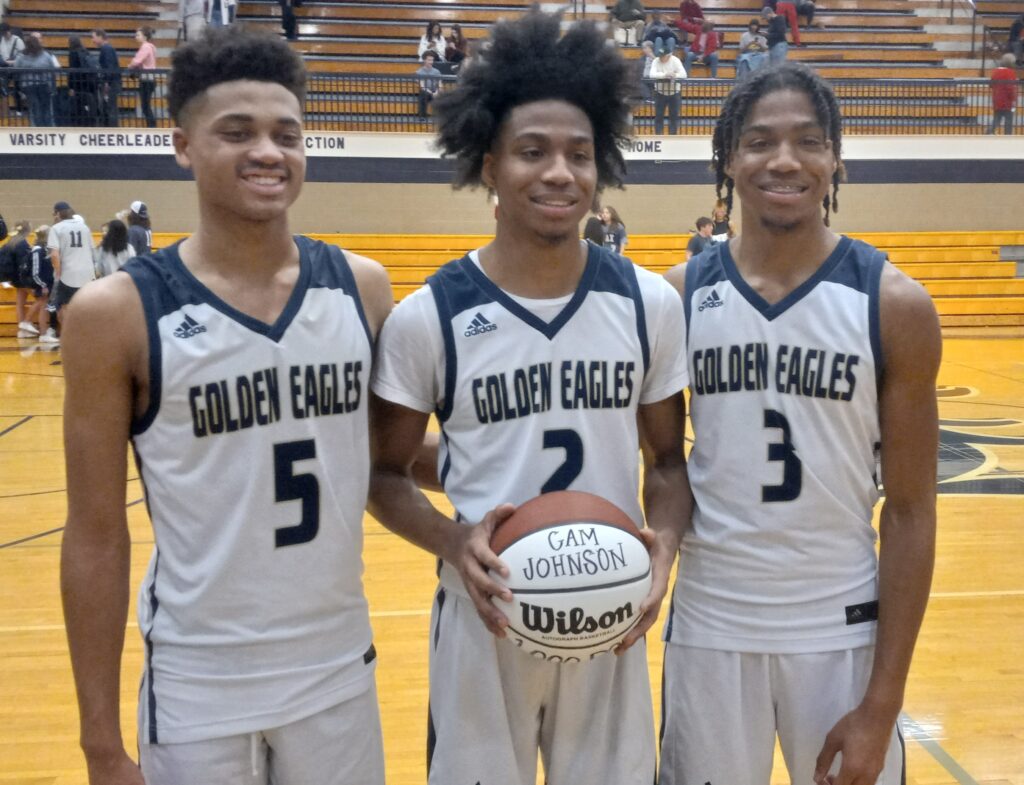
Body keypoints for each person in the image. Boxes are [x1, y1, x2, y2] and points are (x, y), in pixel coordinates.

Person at [60, 25, 392, 785]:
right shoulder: (115, 313)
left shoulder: (361, 287)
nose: (268, 152)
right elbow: (95, 537)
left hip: (337, 664)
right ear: (181, 145)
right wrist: (101, 744)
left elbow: (384, 459)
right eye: (236, 133)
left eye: (287, 134)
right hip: (199, 682)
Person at [368, 11, 690, 785]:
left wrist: (663, 552)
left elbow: (669, 464)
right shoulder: (428, 315)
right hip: (486, 616)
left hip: (610, 608)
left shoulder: (651, 304)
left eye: (580, 154)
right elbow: (382, 475)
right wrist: (454, 543)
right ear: (488, 164)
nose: (560, 173)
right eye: (533, 152)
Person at [659, 61, 940, 785]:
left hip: (840, 630)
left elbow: (910, 512)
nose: (785, 159)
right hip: (711, 625)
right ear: (727, 158)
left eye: (809, 141)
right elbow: (661, 465)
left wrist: (883, 703)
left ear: (835, 158)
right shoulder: (676, 298)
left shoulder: (894, 305)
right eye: (759, 141)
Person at [44, 201, 95, 343]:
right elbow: (92, 251)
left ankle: (70, 339)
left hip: (68, 273)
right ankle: (86, 337)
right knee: (85, 307)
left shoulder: (56, 228)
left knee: (63, 308)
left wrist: (58, 272)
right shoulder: (84, 227)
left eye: (54, 213)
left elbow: (54, 254)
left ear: (58, 214)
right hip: (87, 274)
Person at [13, 34, 56, 127]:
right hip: (42, 85)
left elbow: (15, 70)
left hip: (29, 85)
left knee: (36, 108)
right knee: (44, 109)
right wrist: (52, 87)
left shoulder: (22, 56)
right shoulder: (45, 55)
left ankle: (39, 128)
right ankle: (45, 128)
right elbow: (52, 70)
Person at [1, 219, 35, 335]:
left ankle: (22, 331)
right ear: (27, 231)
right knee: (42, 299)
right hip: (22, 279)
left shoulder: (10, 242)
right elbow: (24, 264)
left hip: (14, 278)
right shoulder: (22, 244)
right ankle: (26, 322)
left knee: (20, 303)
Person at [649, 40, 686, 134]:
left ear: (669, 55)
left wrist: (674, 75)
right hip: (660, 93)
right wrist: (665, 75)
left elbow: (684, 74)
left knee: (674, 117)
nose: (661, 58)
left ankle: (672, 138)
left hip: (674, 93)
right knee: (658, 116)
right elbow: (651, 74)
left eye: (663, 56)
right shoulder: (656, 61)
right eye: (660, 55)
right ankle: (658, 137)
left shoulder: (675, 60)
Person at [25, 224, 55, 338]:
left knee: (44, 308)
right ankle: (42, 333)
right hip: (42, 285)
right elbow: (35, 272)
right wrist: (43, 285)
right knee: (43, 308)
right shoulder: (37, 250)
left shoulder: (45, 249)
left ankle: (44, 333)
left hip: (47, 284)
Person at [129, 27, 158, 128]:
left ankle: (152, 126)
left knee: (145, 106)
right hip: (149, 78)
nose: (136, 37)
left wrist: (130, 66)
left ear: (145, 37)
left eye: (138, 35)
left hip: (146, 79)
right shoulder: (150, 47)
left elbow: (137, 61)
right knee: (146, 105)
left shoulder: (145, 47)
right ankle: (151, 125)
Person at [67, 35, 99, 126]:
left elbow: (72, 71)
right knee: (87, 104)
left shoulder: (73, 53)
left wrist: (71, 86)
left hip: (78, 83)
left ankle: (80, 124)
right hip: (88, 82)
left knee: (79, 106)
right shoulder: (85, 51)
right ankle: (90, 123)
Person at [91, 29, 121, 127]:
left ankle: (112, 130)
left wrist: (107, 83)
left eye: (93, 37)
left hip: (111, 84)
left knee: (110, 108)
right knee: (109, 107)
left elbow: (109, 67)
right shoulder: (108, 48)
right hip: (113, 82)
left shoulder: (106, 49)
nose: (92, 40)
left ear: (100, 37)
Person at [987, 53, 1017, 135]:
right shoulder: (1010, 72)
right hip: (1007, 100)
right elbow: (1010, 88)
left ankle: (989, 132)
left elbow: (991, 84)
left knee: (997, 118)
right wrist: (1013, 99)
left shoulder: (996, 71)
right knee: (1008, 120)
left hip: (996, 98)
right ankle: (1008, 136)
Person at [1, 22, 26, 115]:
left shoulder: (18, 40)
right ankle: (5, 112)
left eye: (5, 33)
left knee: (17, 89)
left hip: (16, 68)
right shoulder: (2, 40)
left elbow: (23, 57)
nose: (4, 35)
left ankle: (19, 110)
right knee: (3, 88)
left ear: (9, 31)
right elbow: (2, 54)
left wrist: (10, 62)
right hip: (6, 68)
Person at [416, 52, 442, 118]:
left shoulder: (437, 71)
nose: (431, 62)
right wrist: (431, 93)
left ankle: (441, 117)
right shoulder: (419, 72)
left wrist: (437, 92)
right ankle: (422, 117)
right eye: (429, 60)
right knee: (423, 95)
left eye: (432, 60)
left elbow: (440, 84)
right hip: (426, 92)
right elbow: (422, 86)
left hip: (435, 91)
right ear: (424, 60)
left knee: (444, 95)